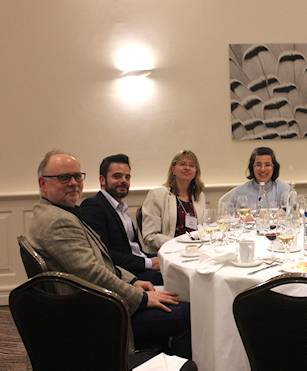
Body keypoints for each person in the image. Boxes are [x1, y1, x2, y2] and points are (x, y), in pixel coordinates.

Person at [27, 150, 192, 358]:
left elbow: (100, 260)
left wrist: (132, 281)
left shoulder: (59, 213)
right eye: (64, 177)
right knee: (189, 314)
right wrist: (141, 298)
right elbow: (93, 274)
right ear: (43, 184)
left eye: (77, 176)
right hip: (101, 316)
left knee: (174, 298)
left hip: (99, 301)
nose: (74, 183)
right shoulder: (58, 221)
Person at [81, 154, 163, 285]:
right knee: (177, 279)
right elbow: (104, 254)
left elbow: (134, 250)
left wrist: (154, 259)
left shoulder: (121, 208)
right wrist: (148, 263)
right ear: (102, 180)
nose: (123, 181)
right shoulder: (93, 206)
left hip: (139, 262)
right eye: (117, 176)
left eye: (127, 177)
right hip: (125, 275)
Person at [142, 150, 206, 253]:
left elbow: (203, 229)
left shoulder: (199, 196)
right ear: (173, 170)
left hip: (196, 251)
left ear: (196, 172)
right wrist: (176, 244)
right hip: (170, 253)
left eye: (191, 165)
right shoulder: (157, 194)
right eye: (182, 164)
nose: (187, 168)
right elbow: (150, 236)